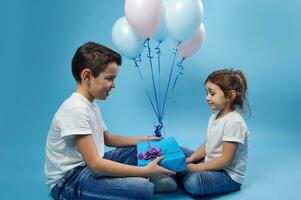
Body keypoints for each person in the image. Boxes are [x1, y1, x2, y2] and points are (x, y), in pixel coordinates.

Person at [44, 42, 175, 200]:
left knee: (137, 149)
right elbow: (95, 164)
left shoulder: (90, 105)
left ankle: (141, 177)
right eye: (110, 78)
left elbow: (109, 139)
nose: (114, 85)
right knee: (143, 189)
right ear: (87, 76)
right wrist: (144, 171)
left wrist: (145, 140)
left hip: (90, 167)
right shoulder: (74, 108)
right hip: (70, 181)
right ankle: (144, 178)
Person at [181, 69, 250, 198]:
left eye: (212, 93)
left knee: (193, 182)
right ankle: (181, 172)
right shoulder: (213, 118)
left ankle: (179, 175)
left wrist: (194, 168)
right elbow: (207, 145)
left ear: (230, 96)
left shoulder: (234, 122)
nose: (207, 97)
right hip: (211, 163)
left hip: (227, 174)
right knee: (181, 150)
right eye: (207, 93)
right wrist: (190, 159)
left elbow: (225, 161)